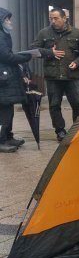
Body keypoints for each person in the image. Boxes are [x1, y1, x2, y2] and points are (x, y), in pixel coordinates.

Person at [31, 7, 79, 142]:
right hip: (53, 77)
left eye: (56, 18)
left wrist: (77, 62)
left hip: (72, 76)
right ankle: (60, 131)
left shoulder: (77, 33)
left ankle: (78, 129)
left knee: (78, 105)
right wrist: (49, 53)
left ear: (64, 18)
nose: (53, 21)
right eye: (51, 18)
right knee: (54, 105)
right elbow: (33, 50)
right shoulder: (44, 33)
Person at [0, 8, 34, 153]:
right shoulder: (0, 36)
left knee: (8, 109)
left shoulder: (4, 35)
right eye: (7, 19)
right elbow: (7, 56)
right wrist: (27, 57)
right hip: (3, 78)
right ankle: (1, 140)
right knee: (5, 111)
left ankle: (8, 136)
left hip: (6, 76)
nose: (10, 21)